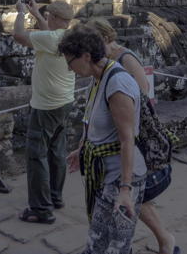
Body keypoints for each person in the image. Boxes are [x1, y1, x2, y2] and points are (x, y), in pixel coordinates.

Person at [87, 17, 178, 254]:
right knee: (131, 198)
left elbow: (141, 97)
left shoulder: (124, 59)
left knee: (131, 195)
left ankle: (162, 240)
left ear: (106, 38)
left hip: (132, 138)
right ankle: (165, 240)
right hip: (116, 143)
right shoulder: (102, 62)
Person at [59, 25, 146, 254]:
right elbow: (95, 122)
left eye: (70, 62)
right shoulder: (98, 78)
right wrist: (83, 149)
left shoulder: (116, 83)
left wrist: (125, 190)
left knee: (115, 247)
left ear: (86, 56)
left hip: (121, 176)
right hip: (105, 173)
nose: (70, 69)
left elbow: (127, 139)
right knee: (97, 241)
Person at [14, 0, 75, 224]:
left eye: (50, 16)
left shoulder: (51, 38)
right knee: (56, 151)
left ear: (58, 19)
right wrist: (37, 14)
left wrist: (21, 13)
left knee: (36, 155)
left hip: (46, 106)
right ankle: (55, 197)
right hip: (65, 101)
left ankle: (41, 209)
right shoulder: (67, 36)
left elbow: (19, 36)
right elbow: (48, 34)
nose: (47, 18)